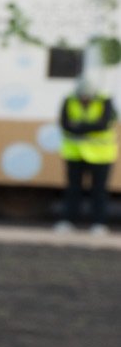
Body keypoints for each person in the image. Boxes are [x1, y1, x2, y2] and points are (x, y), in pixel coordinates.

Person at [58, 75, 115, 234]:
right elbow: (64, 124)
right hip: (74, 153)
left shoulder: (104, 100)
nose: (84, 99)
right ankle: (68, 221)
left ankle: (99, 223)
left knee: (99, 191)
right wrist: (89, 126)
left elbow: (103, 124)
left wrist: (78, 127)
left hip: (101, 155)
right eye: (82, 97)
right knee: (73, 189)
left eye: (87, 97)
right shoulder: (70, 99)